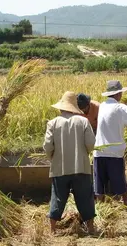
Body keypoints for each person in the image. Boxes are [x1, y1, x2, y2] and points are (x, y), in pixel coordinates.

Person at [43, 91, 96, 234]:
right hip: (81, 167)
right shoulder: (83, 121)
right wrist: (85, 153)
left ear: (61, 108)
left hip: (60, 168)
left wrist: (52, 158)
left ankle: (52, 229)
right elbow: (91, 144)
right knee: (85, 197)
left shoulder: (52, 123)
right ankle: (90, 228)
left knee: (58, 197)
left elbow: (47, 146)